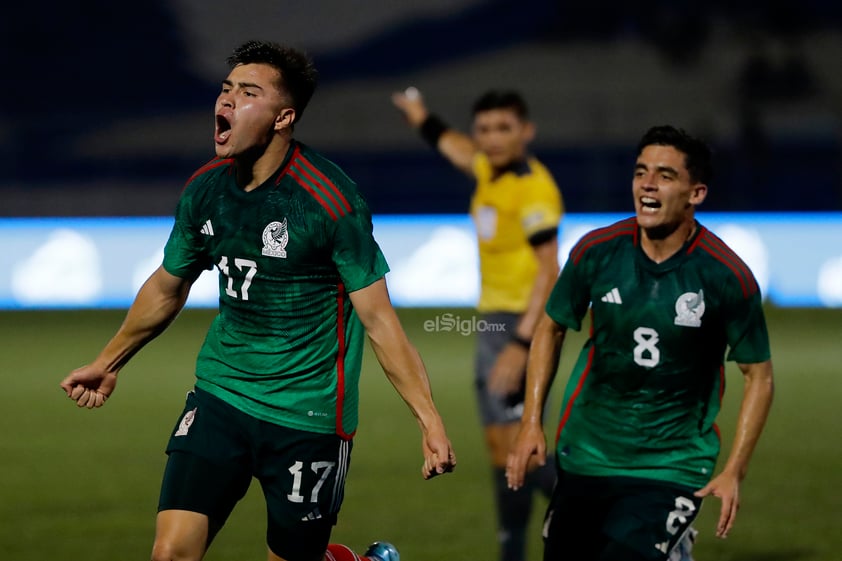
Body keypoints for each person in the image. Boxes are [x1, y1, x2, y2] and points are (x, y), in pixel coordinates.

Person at [60, 40, 455, 561]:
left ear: (282, 117)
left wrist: (428, 420)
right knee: (169, 553)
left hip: (307, 416)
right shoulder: (206, 190)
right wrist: (108, 362)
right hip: (221, 395)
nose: (226, 102)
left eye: (247, 93)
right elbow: (167, 285)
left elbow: (380, 322)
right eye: (226, 90)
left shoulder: (330, 202)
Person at [506, 125, 775, 561]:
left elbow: (759, 376)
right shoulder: (597, 252)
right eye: (640, 172)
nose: (647, 184)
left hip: (671, 464)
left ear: (696, 193)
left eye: (665, 175)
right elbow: (550, 328)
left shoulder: (726, 276)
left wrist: (734, 470)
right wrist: (531, 421)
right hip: (587, 453)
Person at [392, 88, 562, 561]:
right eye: (484, 128)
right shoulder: (489, 170)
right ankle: (516, 552)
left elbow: (551, 271)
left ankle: (608, 521)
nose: (491, 138)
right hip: (496, 323)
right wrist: (421, 116)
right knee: (500, 447)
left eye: (503, 128)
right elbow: (456, 148)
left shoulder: (534, 187)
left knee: (521, 450)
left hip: (521, 325)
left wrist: (521, 344)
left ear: (526, 131)